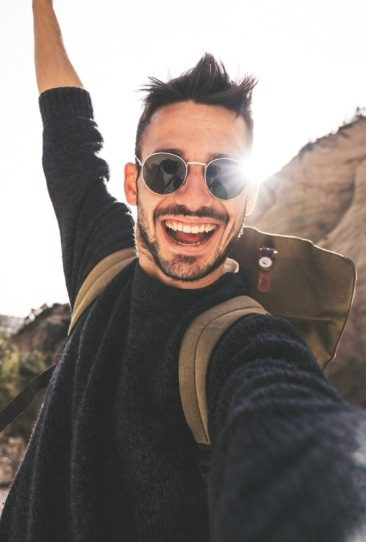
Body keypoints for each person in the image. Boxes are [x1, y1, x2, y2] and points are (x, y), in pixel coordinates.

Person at [1, 1, 366, 541]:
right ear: (133, 185)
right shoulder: (102, 260)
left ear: (249, 197)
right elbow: (66, 126)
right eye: (167, 169)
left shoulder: (246, 340)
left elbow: (295, 429)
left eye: (222, 175)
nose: (194, 199)